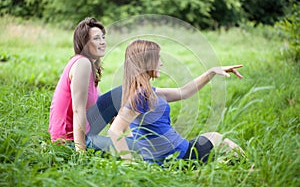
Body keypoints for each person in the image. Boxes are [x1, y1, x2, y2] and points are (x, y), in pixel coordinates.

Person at [108, 39, 245, 164]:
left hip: (175, 155)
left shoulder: (147, 93)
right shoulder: (141, 95)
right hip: (181, 156)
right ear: (147, 61)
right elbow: (115, 130)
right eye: (158, 58)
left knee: (212, 143)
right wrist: (129, 163)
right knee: (216, 137)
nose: (161, 63)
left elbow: (184, 92)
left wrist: (212, 71)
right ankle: (251, 167)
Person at [49, 17, 113, 151]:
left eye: (103, 37)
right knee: (132, 148)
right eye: (96, 38)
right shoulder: (82, 63)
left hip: (81, 136)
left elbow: (103, 106)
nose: (103, 42)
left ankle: (133, 138)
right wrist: (81, 152)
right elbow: (78, 110)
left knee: (118, 96)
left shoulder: (90, 65)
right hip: (68, 142)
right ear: (84, 43)